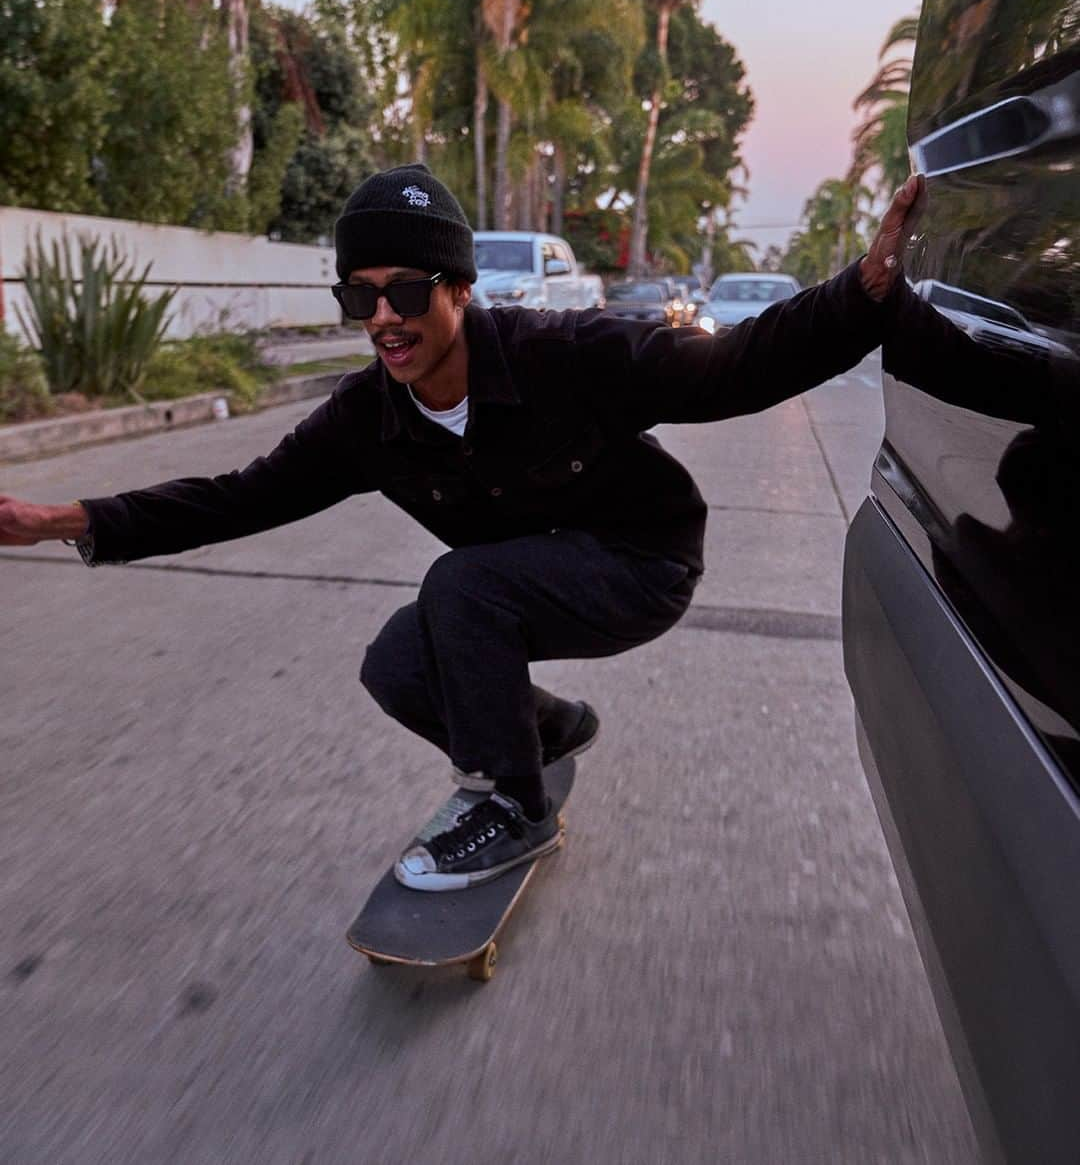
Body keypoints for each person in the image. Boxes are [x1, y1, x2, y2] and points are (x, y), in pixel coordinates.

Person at [0, 164, 922, 892]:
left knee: (461, 587)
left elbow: (732, 371)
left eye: (406, 290)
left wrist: (864, 292)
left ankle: (513, 808)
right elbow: (239, 495)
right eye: (360, 299)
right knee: (398, 663)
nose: (385, 320)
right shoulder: (366, 418)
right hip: (532, 580)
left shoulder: (561, 354)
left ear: (461, 288)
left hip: (643, 565)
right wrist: (62, 519)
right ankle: (549, 734)